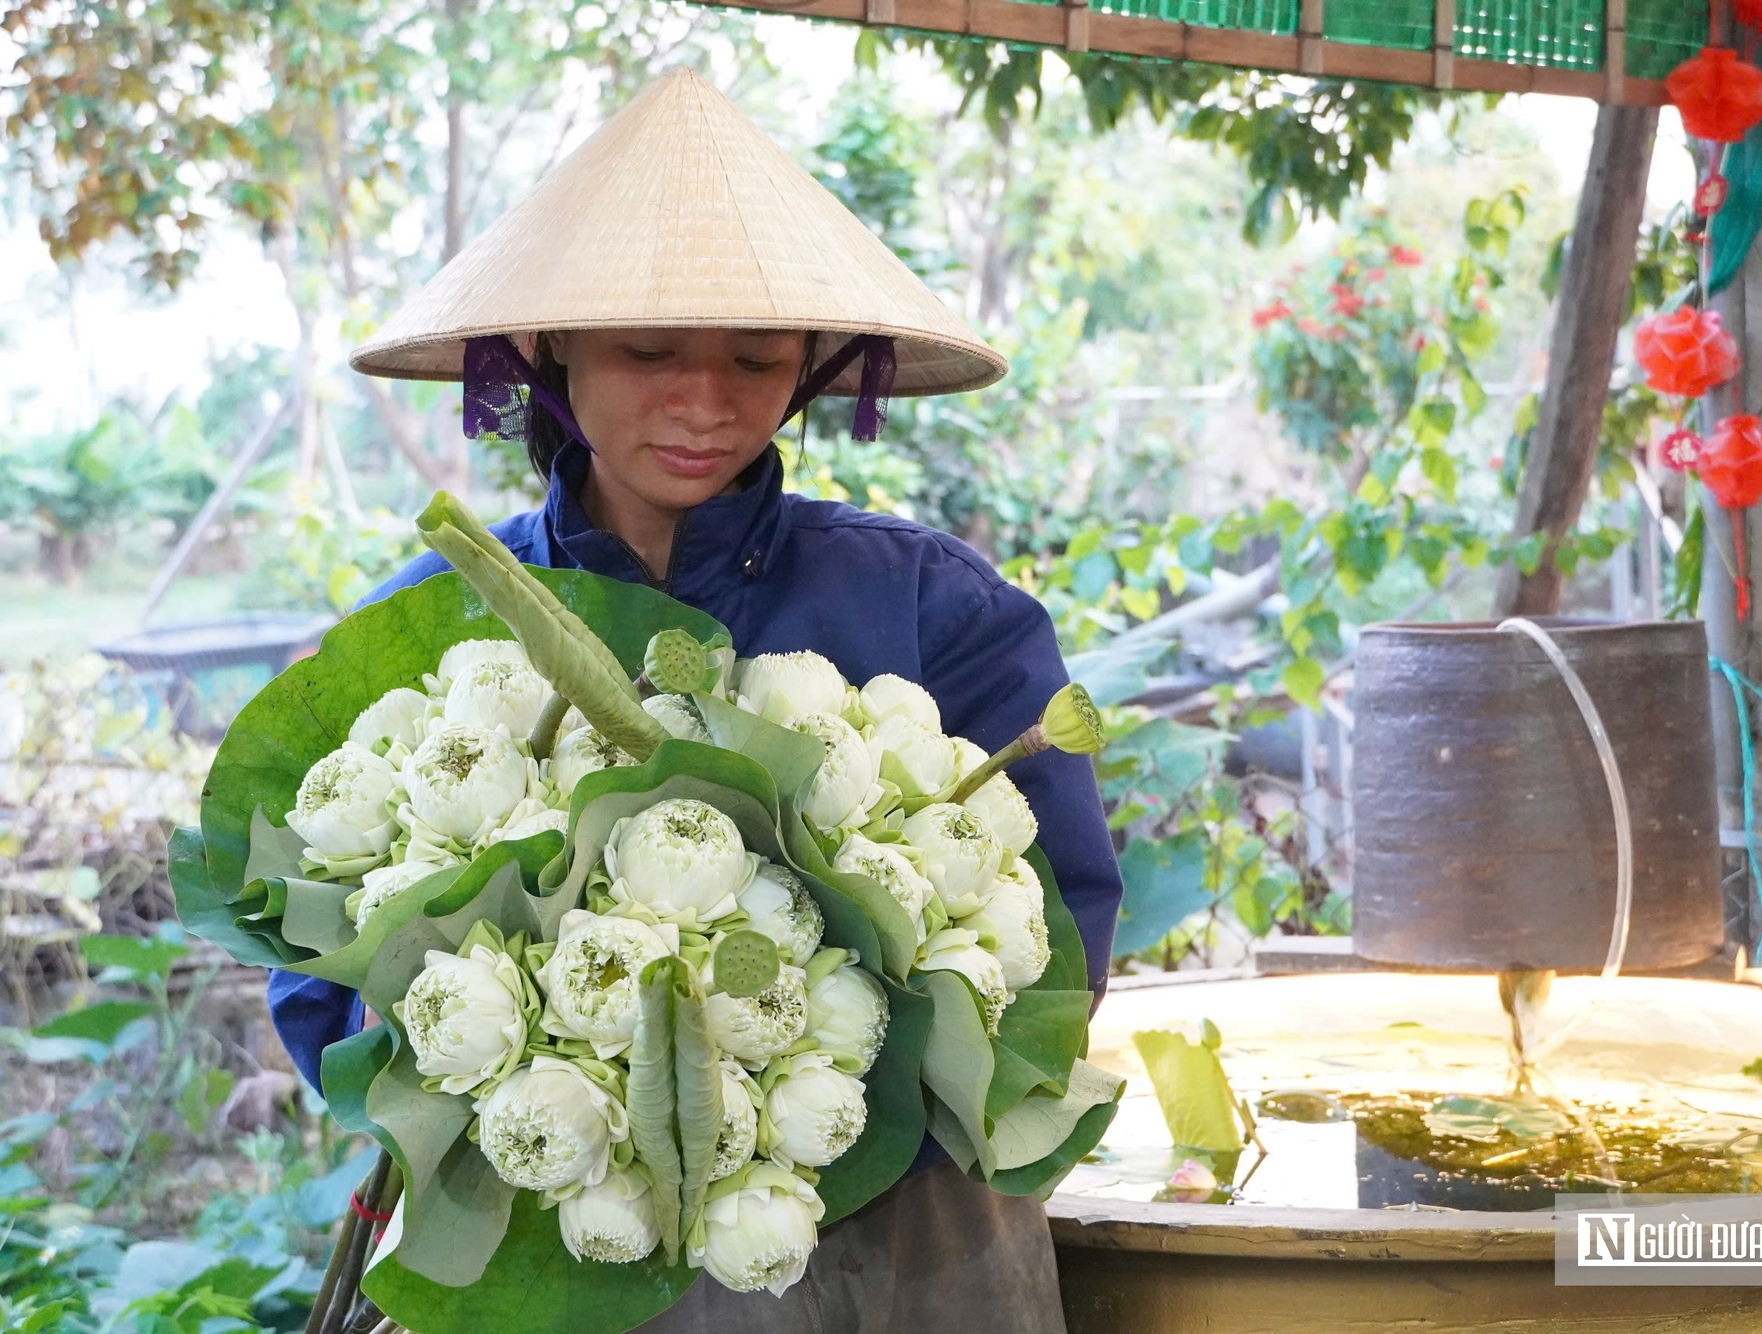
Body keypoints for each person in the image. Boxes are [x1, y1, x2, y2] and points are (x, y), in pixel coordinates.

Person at [263, 66, 1121, 1332]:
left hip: (900, 1258)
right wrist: (506, 1079)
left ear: (818, 362)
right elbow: (320, 971)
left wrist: (817, 1096)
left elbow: (1055, 934)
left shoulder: (933, 608)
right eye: (650, 349)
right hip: (555, 1245)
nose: (706, 401)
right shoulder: (437, 620)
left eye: (758, 358)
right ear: (550, 347)